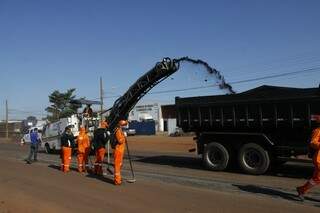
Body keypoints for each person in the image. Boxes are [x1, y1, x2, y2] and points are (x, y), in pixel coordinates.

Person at [296, 115, 320, 200]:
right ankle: (302, 190)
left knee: (316, 178)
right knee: (317, 178)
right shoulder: (317, 131)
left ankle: (301, 189)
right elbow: (313, 142)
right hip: (319, 159)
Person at [113, 120, 128, 185]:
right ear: (121, 125)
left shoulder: (120, 131)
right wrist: (124, 137)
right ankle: (117, 180)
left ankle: (118, 178)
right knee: (117, 165)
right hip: (118, 150)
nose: (125, 126)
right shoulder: (118, 131)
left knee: (119, 165)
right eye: (124, 125)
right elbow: (120, 141)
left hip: (120, 150)